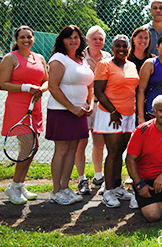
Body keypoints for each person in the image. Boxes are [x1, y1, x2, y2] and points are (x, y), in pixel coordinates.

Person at [0, 26, 48, 204]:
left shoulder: (40, 58)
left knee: (33, 148)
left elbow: (46, 81)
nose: (26, 40)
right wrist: (27, 88)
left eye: (29, 37)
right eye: (22, 37)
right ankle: (13, 187)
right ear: (16, 39)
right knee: (27, 146)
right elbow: (2, 84)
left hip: (34, 106)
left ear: (33, 38)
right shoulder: (10, 58)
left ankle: (19, 185)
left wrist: (40, 90)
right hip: (17, 107)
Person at [46, 25, 94, 205]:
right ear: (62, 41)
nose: (73, 41)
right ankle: (56, 190)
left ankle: (65, 188)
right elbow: (53, 87)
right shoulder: (58, 58)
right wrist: (71, 107)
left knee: (73, 149)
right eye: (69, 38)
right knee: (62, 150)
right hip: (61, 111)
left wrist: (89, 103)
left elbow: (90, 86)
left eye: (76, 37)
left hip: (79, 112)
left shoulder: (83, 60)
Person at [93, 34, 139, 208]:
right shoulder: (104, 64)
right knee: (112, 153)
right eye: (118, 46)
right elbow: (98, 91)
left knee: (120, 151)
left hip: (128, 114)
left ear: (129, 48)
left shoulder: (132, 65)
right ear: (112, 48)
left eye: (124, 46)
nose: (121, 49)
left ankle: (118, 187)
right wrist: (113, 110)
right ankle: (108, 191)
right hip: (110, 114)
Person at [74, 26, 111, 195]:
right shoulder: (78, 56)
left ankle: (98, 177)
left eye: (101, 39)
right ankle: (81, 179)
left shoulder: (108, 57)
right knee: (81, 143)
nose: (98, 42)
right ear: (87, 41)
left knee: (99, 143)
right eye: (94, 39)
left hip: (100, 106)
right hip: (82, 105)